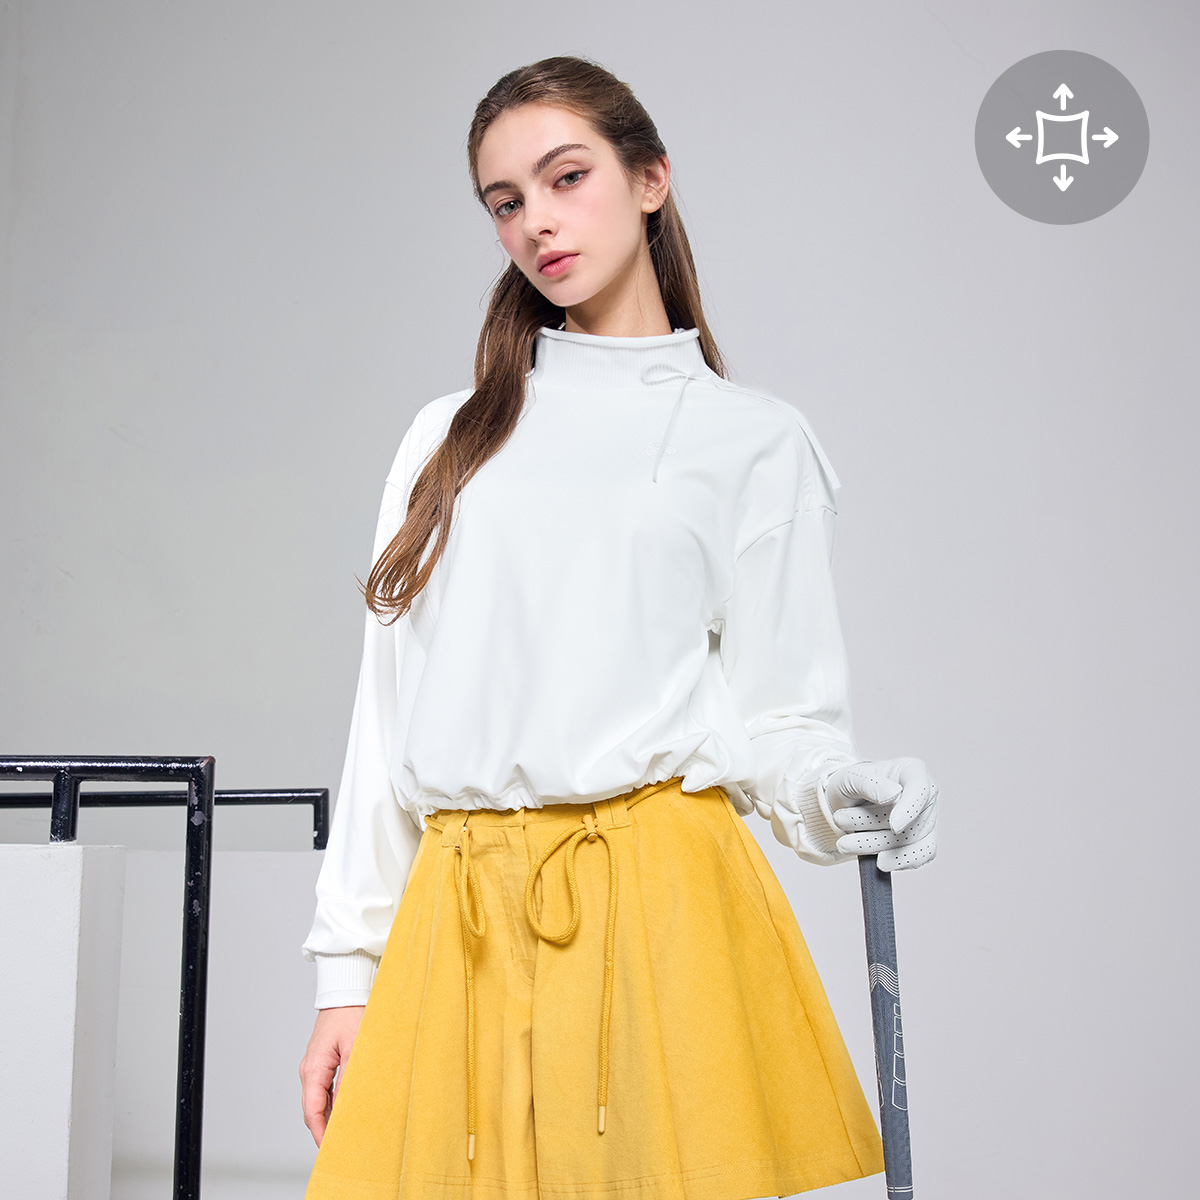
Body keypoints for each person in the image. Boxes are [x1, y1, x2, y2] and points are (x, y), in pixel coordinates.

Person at [298, 53, 938, 1200]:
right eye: (505, 202)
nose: (537, 222)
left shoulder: (753, 441)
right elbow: (383, 720)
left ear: (650, 179)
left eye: (566, 177)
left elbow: (781, 719)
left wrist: (843, 792)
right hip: (464, 913)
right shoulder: (449, 438)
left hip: (659, 907)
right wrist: (346, 972)